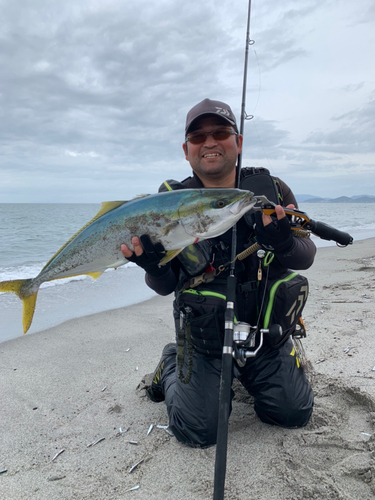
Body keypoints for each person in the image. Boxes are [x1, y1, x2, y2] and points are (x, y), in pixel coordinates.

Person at [121, 98, 316, 448]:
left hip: (265, 335)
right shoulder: (168, 206)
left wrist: (283, 242)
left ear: (238, 142)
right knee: (199, 431)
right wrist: (152, 265)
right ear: (186, 150)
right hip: (205, 339)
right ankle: (171, 360)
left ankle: (271, 365)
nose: (209, 142)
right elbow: (165, 286)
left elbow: (306, 256)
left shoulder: (271, 191)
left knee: (292, 413)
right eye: (198, 137)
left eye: (221, 132)